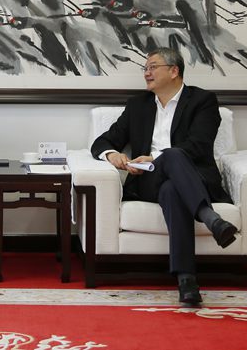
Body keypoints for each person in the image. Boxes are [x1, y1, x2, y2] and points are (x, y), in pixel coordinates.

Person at [90, 47, 237, 307]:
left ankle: (186, 280)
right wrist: (112, 155)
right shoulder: (138, 106)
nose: (146, 73)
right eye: (145, 68)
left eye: (152, 67)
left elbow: (199, 145)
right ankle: (210, 218)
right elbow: (102, 142)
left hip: (193, 178)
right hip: (148, 181)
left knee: (172, 184)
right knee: (169, 160)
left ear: (174, 70)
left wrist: (157, 157)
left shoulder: (202, 101)